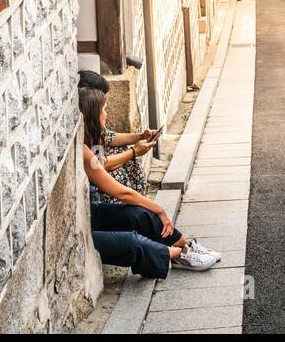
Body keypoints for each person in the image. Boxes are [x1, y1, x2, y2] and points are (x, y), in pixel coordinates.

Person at [80, 82, 220, 276]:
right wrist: (159, 209)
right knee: (131, 240)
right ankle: (176, 254)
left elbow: (111, 138)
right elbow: (121, 193)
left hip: (92, 212)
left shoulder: (89, 142)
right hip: (83, 223)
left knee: (138, 214)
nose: (107, 115)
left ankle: (185, 245)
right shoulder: (84, 152)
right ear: (92, 116)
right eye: (104, 110)